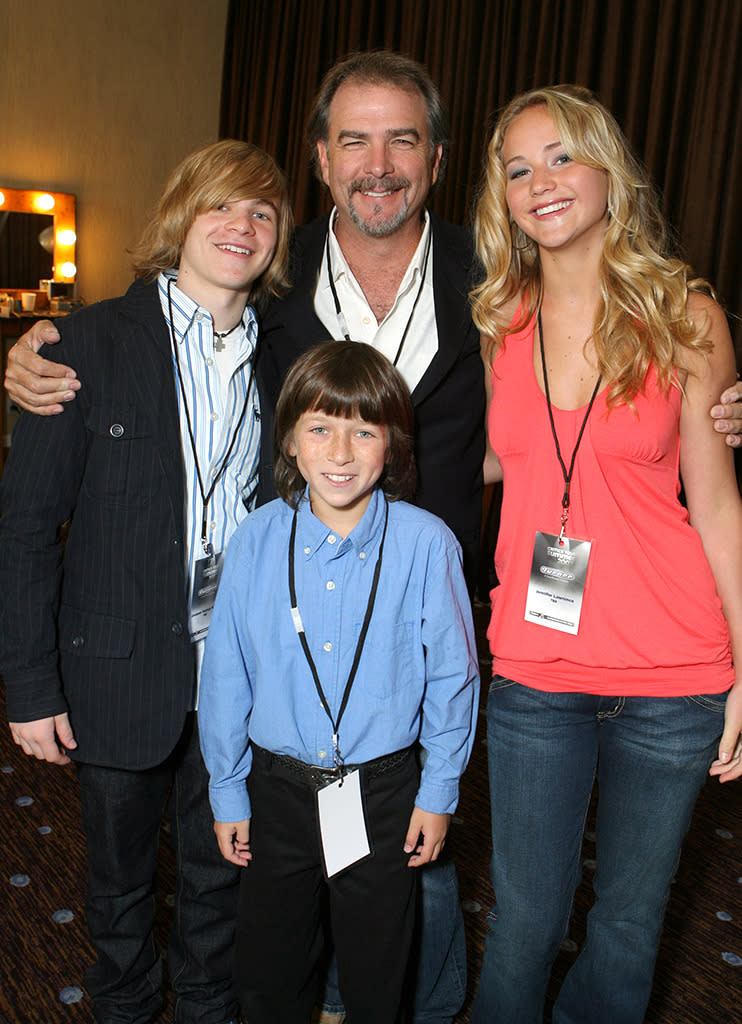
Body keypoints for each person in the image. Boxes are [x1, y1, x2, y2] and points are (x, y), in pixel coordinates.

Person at [4, 52, 742, 1024]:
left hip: (445, 610)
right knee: (249, 852)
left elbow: (564, 431)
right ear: (322, 157)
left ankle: (398, 1003)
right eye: (355, 138)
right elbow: (58, 481)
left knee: (415, 848)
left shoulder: (494, 282)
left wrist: (706, 411)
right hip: (283, 622)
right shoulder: (274, 277)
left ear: (436, 160)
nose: (379, 161)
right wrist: (29, 352)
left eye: (403, 138)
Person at [0, 139, 292, 1024]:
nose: (241, 226)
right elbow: (23, 531)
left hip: (240, 675)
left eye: (262, 213)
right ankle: (124, 1008)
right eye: (221, 206)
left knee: (220, 879)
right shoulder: (79, 345)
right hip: (114, 671)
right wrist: (28, 685)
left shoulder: (288, 360)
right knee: (120, 886)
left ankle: (205, 1008)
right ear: (179, 218)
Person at [469, 84, 742, 1024]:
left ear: (606, 171)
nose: (540, 181)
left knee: (628, 922)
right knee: (523, 923)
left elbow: (716, 503)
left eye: (561, 157)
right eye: (517, 167)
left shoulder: (687, 317)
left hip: (675, 671)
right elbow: (490, 459)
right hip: (538, 669)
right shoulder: (494, 323)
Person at [198, 339, 479, 1024]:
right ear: (290, 440)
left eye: (363, 430)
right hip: (277, 789)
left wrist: (439, 791)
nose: (341, 452)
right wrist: (227, 786)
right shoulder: (257, 539)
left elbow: (453, 676)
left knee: (377, 963)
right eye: (320, 428)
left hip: (382, 794)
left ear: (393, 446)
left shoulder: (426, 543)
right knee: (270, 963)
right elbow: (226, 673)